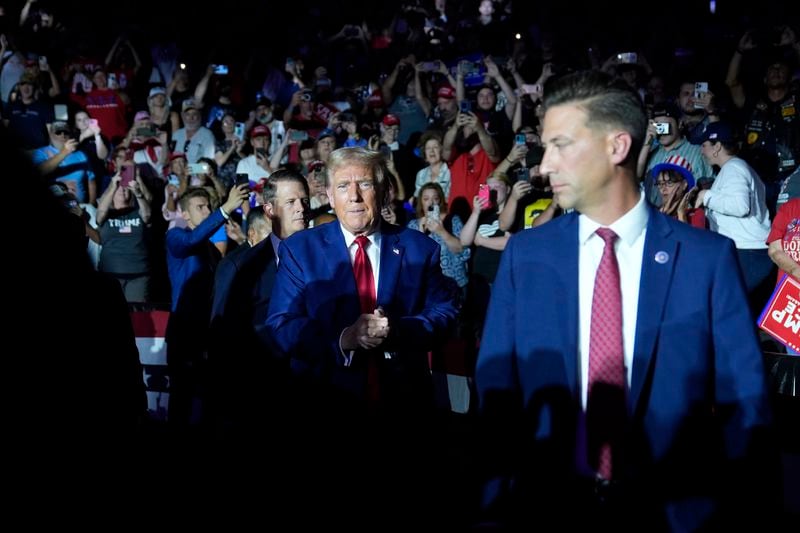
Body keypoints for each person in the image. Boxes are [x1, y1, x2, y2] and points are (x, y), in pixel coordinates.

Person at [475, 70, 776, 530]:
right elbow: (497, 393)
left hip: (675, 515)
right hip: (547, 512)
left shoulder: (706, 259)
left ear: (617, 146)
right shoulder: (526, 254)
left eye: (561, 145)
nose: (544, 165)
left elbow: (745, 402)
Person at [266, 146, 458, 527]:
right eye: (343, 186)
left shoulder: (421, 248)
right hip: (326, 421)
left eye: (364, 184)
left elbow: (447, 312)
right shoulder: (300, 250)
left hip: (403, 421)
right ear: (329, 195)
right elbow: (281, 324)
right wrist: (344, 339)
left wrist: (400, 330)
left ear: (384, 190)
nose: (354, 195)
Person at [209, 170, 310, 437]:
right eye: (291, 202)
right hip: (256, 401)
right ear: (269, 210)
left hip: (313, 397)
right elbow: (222, 339)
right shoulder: (239, 266)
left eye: (304, 201)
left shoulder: (328, 260)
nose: (301, 209)